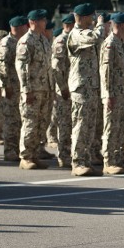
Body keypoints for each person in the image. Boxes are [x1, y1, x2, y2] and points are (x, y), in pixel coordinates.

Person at [65, 3, 102, 177]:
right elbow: (94, 37)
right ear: (84, 17)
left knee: (89, 126)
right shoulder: (76, 34)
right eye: (92, 16)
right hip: (81, 87)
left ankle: (85, 160)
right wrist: (101, 24)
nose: (93, 19)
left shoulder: (83, 32)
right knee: (80, 125)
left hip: (91, 86)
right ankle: (77, 162)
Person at [16, 9, 54, 170]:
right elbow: (22, 67)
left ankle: (35, 154)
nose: (45, 22)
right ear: (33, 22)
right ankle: (26, 157)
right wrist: (26, 90)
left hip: (45, 89)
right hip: (32, 90)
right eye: (42, 20)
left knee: (42, 123)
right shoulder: (26, 41)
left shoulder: (43, 40)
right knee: (30, 123)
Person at [101, 12, 124, 174]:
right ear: (120, 25)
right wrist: (108, 94)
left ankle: (117, 158)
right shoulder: (110, 43)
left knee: (121, 127)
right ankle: (109, 161)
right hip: (114, 94)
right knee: (111, 128)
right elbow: (106, 71)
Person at [0, 16, 28, 162]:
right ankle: (10, 150)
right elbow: (2, 66)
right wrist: (6, 85)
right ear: (20, 27)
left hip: (20, 87)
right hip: (11, 87)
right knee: (11, 119)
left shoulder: (20, 41)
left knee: (19, 119)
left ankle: (17, 149)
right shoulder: (6, 43)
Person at [50, 14, 74, 168]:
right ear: (69, 25)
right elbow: (57, 68)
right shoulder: (61, 40)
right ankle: (64, 156)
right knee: (64, 123)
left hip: (73, 87)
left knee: (72, 123)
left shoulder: (72, 39)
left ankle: (70, 153)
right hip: (64, 89)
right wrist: (63, 87)